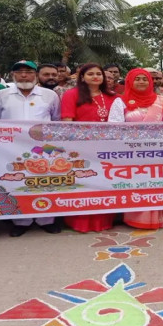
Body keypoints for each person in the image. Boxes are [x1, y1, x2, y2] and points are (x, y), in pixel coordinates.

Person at [0, 60, 62, 236]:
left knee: (45, 183)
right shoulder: (2, 95)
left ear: (36, 75)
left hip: (42, 149)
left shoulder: (49, 95)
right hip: (12, 149)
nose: (24, 75)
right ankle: (21, 222)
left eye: (29, 72)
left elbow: (56, 120)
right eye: (19, 72)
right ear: (13, 75)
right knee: (17, 182)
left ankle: (47, 220)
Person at [108, 68, 163, 229]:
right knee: (136, 185)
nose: (141, 82)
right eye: (137, 79)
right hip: (131, 153)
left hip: (158, 151)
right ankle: (136, 217)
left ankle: (158, 216)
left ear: (150, 82)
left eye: (145, 79)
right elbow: (114, 127)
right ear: (129, 81)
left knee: (156, 184)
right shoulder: (120, 101)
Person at [61, 63, 118, 233]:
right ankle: (80, 222)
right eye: (90, 74)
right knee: (84, 184)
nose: (95, 77)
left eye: (98, 74)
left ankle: (103, 221)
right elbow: (67, 122)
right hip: (81, 148)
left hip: (107, 149)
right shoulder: (71, 94)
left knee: (104, 184)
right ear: (82, 77)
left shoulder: (113, 97)